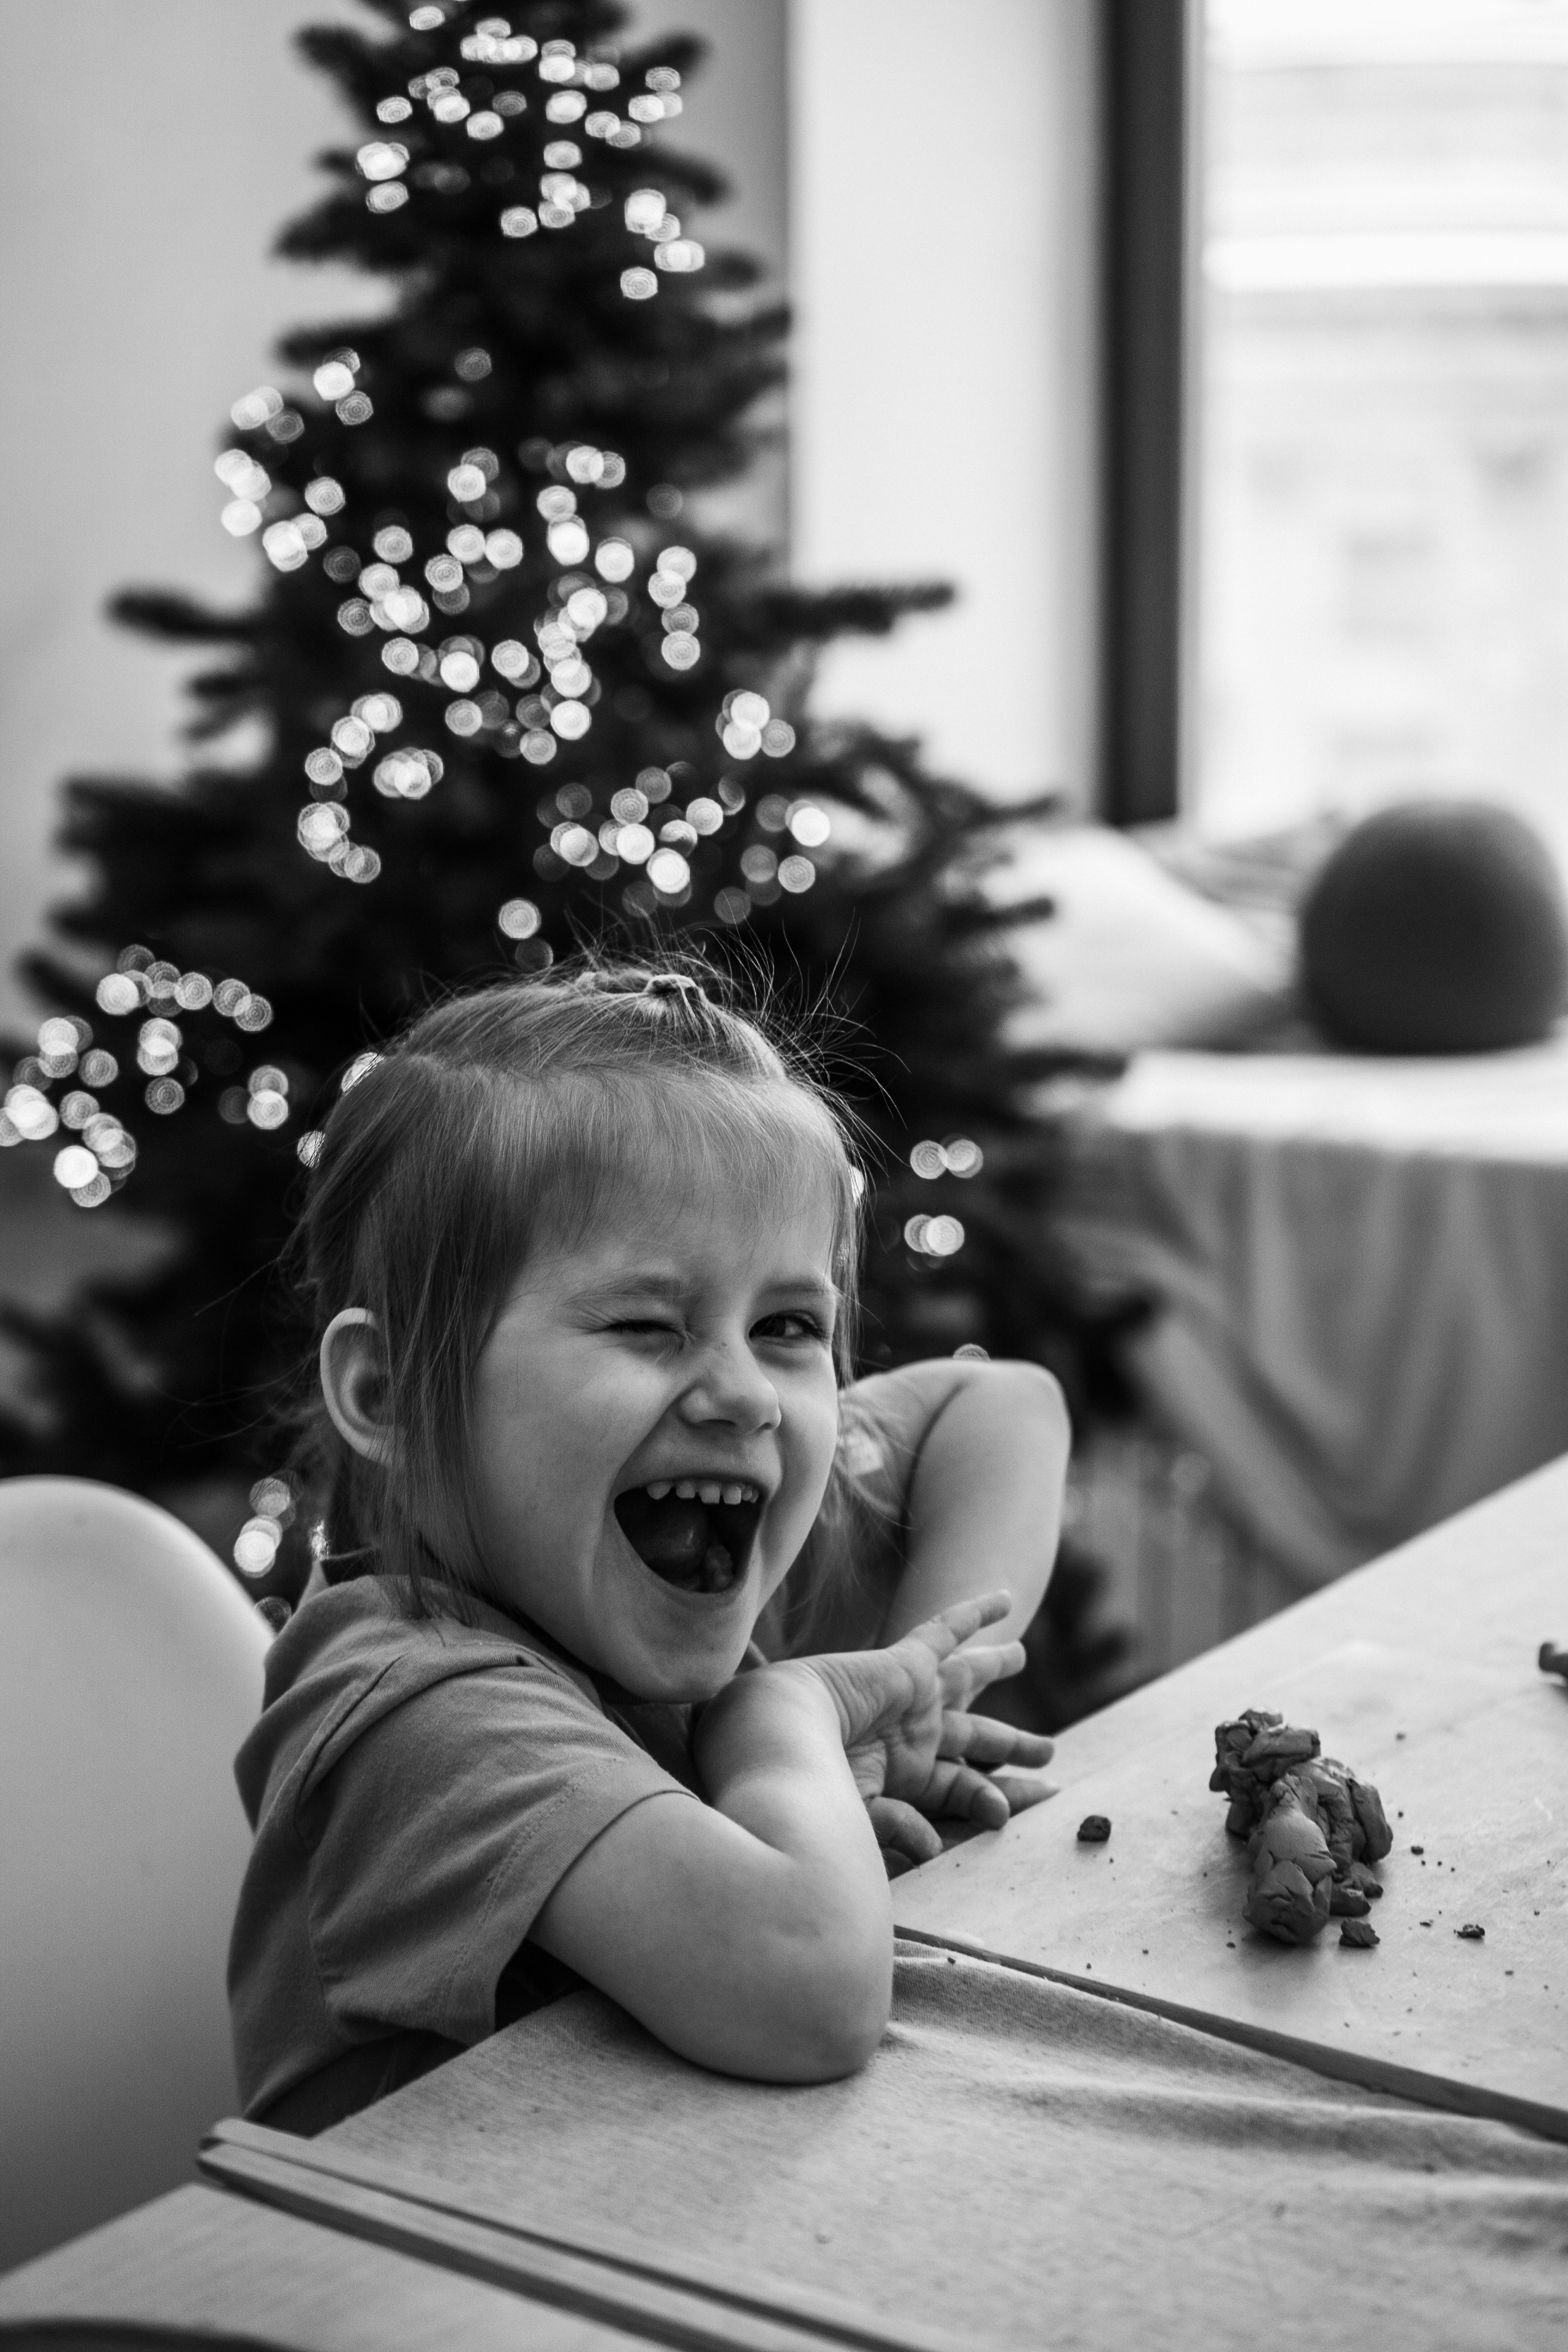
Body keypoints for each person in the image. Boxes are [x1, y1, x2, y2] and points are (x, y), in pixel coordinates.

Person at [228, 965, 1070, 2134]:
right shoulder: (418, 1709)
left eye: (787, 1326)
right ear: (394, 1393)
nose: (746, 1396)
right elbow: (811, 1992)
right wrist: (785, 1728)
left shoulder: (683, 1495)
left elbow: (1004, 1409)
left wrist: (912, 1691)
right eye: (645, 1325)